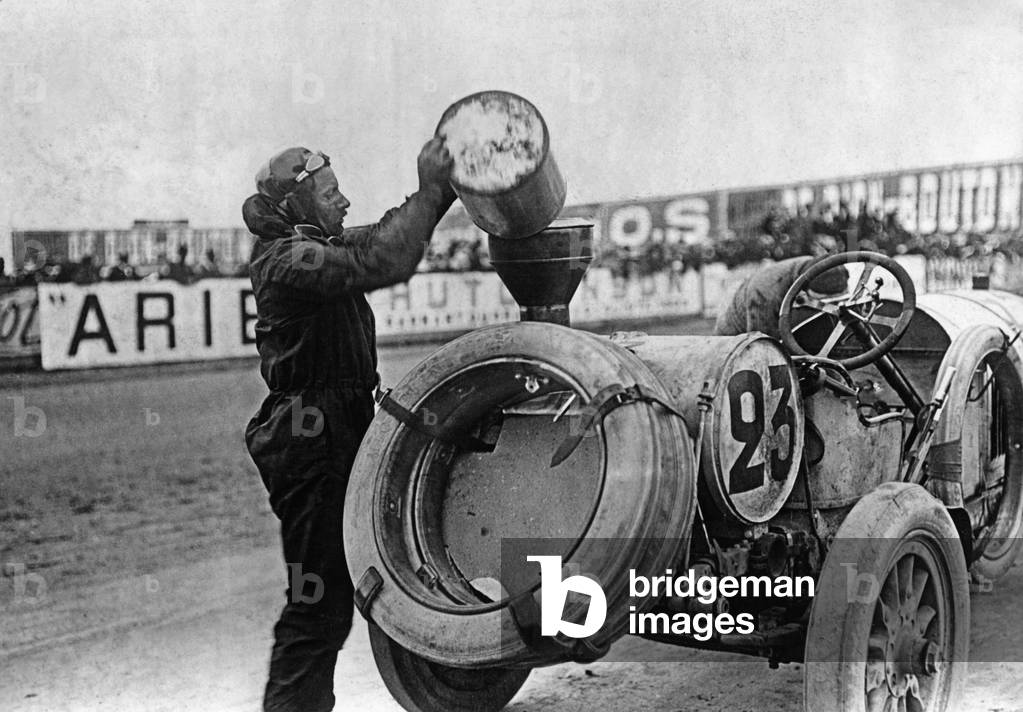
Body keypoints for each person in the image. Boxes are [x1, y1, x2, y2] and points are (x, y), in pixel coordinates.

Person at [242, 139, 455, 712]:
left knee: (346, 596)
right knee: (317, 609)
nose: (344, 201)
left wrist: (439, 196)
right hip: (310, 442)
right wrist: (433, 189)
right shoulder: (287, 258)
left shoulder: (313, 243)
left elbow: (385, 236)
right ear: (297, 202)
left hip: (334, 432)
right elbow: (384, 259)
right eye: (331, 193)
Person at [714, 253, 848, 340]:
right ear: (806, 289)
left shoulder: (815, 265)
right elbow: (763, 346)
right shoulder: (766, 292)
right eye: (823, 301)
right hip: (734, 337)